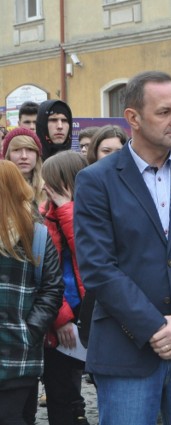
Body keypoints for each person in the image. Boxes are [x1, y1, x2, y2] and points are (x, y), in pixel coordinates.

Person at [74, 70, 171, 425]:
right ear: (132, 117)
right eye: (165, 112)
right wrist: (158, 329)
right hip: (126, 352)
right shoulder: (96, 181)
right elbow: (98, 268)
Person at [0, 160, 63, 425]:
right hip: (21, 347)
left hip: (17, 352)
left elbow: (52, 289)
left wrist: (29, 332)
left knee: (12, 417)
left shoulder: (35, 235)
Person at [40, 151, 90, 425]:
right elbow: (42, 274)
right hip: (57, 317)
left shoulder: (91, 212)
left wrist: (67, 209)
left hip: (91, 311)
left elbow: (88, 256)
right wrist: (59, 318)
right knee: (61, 394)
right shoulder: (42, 219)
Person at [2, 127, 46, 207]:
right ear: (8, 155)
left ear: (37, 155)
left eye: (30, 149)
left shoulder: (50, 188)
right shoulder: (2, 189)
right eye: (17, 150)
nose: (24, 156)